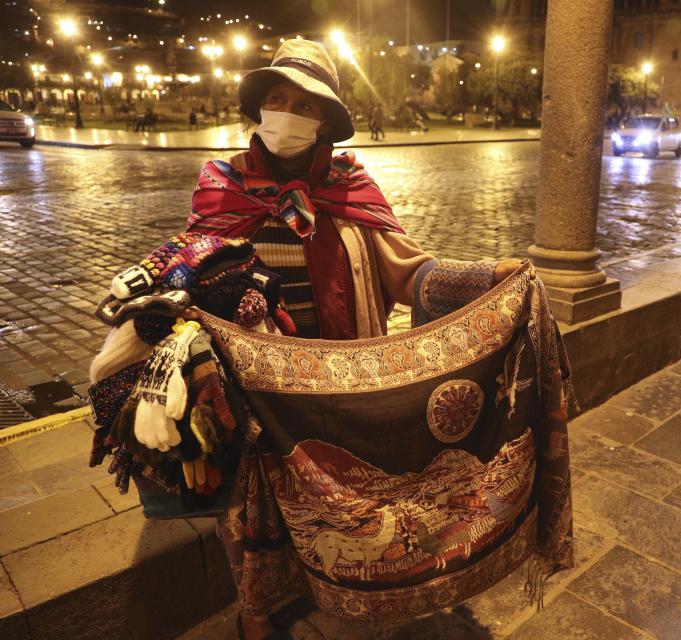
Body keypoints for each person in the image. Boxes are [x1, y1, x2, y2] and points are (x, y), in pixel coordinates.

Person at [186, 39, 521, 640]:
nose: (288, 112)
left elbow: (409, 271)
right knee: (251, 507)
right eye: (277, 98)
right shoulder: (222, 185)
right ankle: (257, 614)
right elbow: (189, 276)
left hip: (340, 387)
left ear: (325, 121)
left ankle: (338, 594)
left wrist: (484, 280)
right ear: (260, 109)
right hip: (253, 389)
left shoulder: (350, 188)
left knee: (336, 502)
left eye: (305, 104)